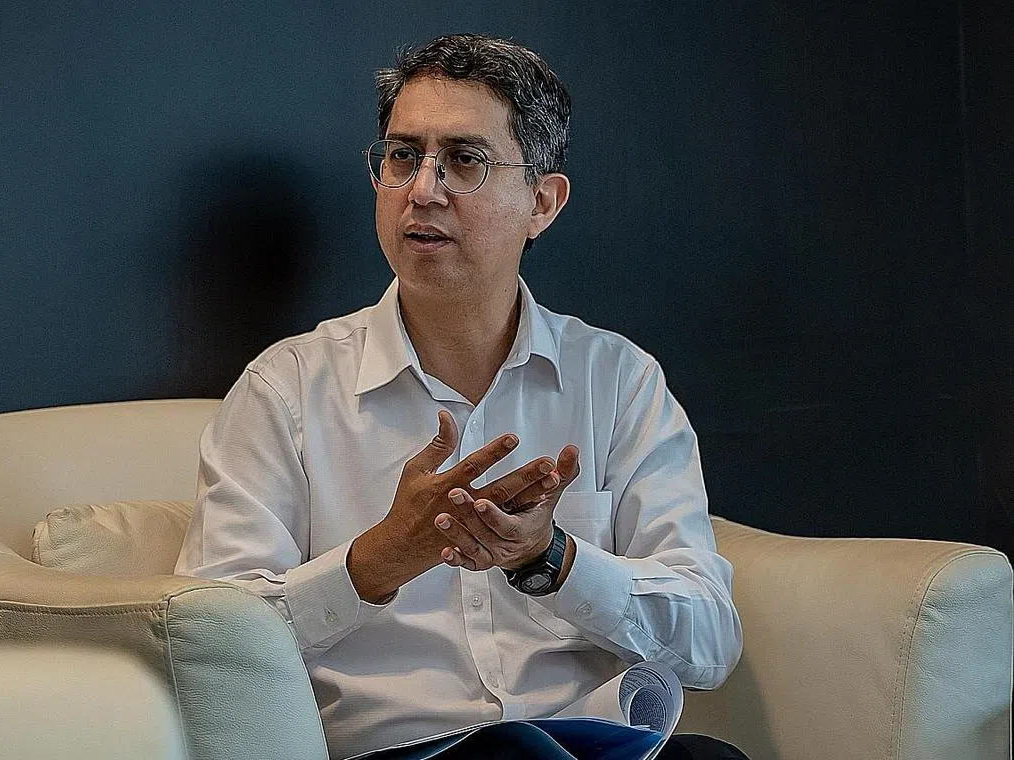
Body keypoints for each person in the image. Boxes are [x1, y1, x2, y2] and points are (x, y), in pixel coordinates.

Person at [176, 34, 746, 760]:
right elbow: (208, 638)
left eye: (464, 160)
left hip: (591, 742)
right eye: (402, 156)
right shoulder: (284, 391)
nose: (421, 190)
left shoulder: (618, 382)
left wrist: (551, 558)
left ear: (542, 203)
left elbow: (709, 642)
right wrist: (377, 561)